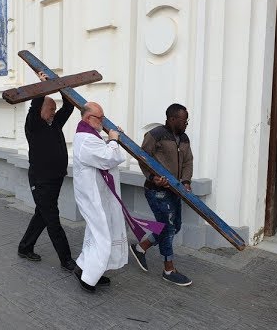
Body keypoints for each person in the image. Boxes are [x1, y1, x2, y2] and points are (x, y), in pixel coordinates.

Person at [17, 71, 76, 272]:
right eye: (51, 109)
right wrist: (42, 88)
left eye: (54, 109)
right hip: (41, 180)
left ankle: (25, 247)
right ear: (41, 109)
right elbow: (35, 105)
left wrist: (61, 86)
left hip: (56, 178)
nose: (53, 112)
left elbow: (68, 107)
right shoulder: (33, 125)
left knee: (42, 214)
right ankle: (66, 260)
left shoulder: (54, 124)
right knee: (52, 219)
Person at [129, 103, 193, 286]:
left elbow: (188, 161)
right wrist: (152, 177)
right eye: (184, 120)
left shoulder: (185, 138)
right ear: (172, 119)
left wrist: (186, 181)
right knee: (167, 227)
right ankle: (168, 269)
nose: (186, 123)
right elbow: (142, 158)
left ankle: (141, 247)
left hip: (176, 190)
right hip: (156, 191)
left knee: (175, 226)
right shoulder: (155, 135)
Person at [72, 102, 128, 293]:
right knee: (102, 236)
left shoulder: (87, 135)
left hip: (94, 195)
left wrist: (111, 138)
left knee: (94, 233)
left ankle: (82, 268)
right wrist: (113, 140)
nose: (103, 121)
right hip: (92, 197)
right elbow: (107, 157)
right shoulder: (86, 138)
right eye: (100, 118)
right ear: (89, 119)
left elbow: (99, 151)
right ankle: (89, 279)